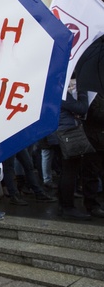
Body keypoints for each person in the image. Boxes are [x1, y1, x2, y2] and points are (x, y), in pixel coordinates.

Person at [56, 78, 93, 220]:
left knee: (66, 171)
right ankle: (67, 207)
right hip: (68, 133)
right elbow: (82, 108)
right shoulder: (61, 91)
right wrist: (83, 92)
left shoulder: (55, 88)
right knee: (69, 172)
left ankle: (64, 205)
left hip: (62, 132)